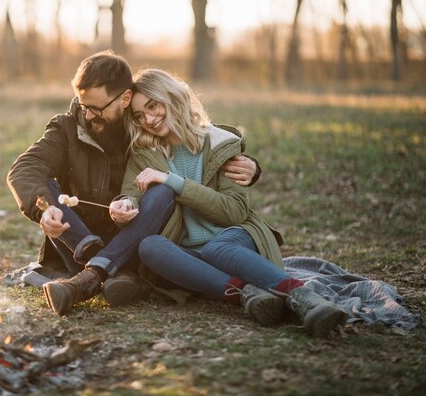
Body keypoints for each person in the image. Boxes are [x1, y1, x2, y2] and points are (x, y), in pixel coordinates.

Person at [7, 51, 259, 315]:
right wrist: (45, 208)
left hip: (140, 240)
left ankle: (99, 276)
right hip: (80, 244)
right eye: (83, 105)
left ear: (125, 98)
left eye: (97, 108)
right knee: (45, 185)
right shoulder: (68, 129)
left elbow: (196, 135)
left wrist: (249, 163)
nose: (89, 115)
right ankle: (109, 272)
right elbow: (24, 169)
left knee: (162, 189)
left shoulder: (145, 125)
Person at [112, 68, 347, 337]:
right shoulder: (144, 154)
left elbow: (234, 212)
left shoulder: (220, 143)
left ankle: (304, 297)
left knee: (216, 247)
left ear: (172, 96)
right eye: (139, 116)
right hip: (190, 253)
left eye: (153, 106)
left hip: (235, 237)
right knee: (149, 246)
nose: (149, 120)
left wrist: (172, 181)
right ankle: (247, 295)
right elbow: (130, 194)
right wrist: (124, 206)